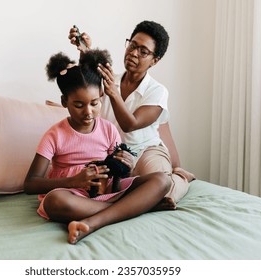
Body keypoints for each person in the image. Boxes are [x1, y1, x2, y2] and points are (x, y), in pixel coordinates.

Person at [24, 49, 174, 245]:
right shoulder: (55, 134)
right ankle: (132, 208)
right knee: (53, 203)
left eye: (94, 103)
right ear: (64, 102)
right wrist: (73, 182)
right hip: (73, 195)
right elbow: (30, 184)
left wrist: (126, 167)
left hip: (108, 191)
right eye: (78, 105)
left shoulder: (109, 129)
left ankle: (94, 221)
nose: (88, 112)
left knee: (162, 180)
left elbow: (118, 177)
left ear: (101, 96)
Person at [68, 21, 195, 205]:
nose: (134, 53)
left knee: (162, 184)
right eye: (132, 45)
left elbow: (130, 124)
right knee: (100, 190)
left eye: (143, 51)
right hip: (113, 154)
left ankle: (181, 178)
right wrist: (84, 51)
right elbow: (87, 87)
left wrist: (112, 92)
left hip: (146, 151)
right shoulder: (111, 80)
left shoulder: (157, 91)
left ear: (155, 60)